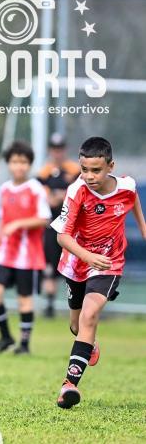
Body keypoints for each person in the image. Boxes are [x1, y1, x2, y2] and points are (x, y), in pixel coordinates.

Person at [52, 137, 146, 409]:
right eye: (85, 170)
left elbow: (133, 201)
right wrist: (87, 256)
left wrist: (143, 229)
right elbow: (62, 237)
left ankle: (69, 385)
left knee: (89, 315)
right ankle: (89, 344)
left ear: (110, 166)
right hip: (76, 261)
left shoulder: (126, 186)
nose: (90, 176)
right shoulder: (76, 191)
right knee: (76, 325)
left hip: (109, 262)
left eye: (96, 170)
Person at [0, 141, 51, 355]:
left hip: (28, 255)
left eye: (23, 162)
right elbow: (2, 221)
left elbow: (44, 219)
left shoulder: (35, 189)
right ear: (8, 164)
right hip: (6, 253)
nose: (19, 166)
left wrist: (19, 224)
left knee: (24, 300)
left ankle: (24, 345)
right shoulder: (4, 189)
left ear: (29, 165)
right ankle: (5, 336)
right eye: (14, 162)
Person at [37, 133, 80, 318]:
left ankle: (78, 304)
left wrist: (61, 196)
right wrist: (57, 196)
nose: (57, 152)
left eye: (60, 149)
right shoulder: (44, 172)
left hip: (71, 226)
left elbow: (77, 192)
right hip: (52, 226)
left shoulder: (74, 169)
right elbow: (45, 196)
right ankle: (49, 305)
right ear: (50, 150)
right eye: (54, 149)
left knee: (75, 265)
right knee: (50, 266)